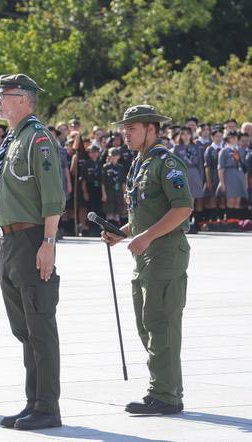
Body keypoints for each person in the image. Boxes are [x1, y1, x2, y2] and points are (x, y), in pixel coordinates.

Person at [103, 104, 192, 415]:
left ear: (152, 130)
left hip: (165, 253)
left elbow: (182, 209)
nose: (125, 133)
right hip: (146, 254)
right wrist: (123, 232)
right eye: (125, 128)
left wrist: (148, 236)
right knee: (147, 325)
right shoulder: (140, 165)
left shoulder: (166, 163)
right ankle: (167, 388)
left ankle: (164, 395)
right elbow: (145, 213)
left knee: (160, 323)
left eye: (133, 127)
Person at [0, 74, 64, 431]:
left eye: (5, 95)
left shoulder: (38, 139)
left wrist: (48, 244)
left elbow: (53, 197)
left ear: (25, 100)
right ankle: (33, 401)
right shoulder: (13, 139)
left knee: (40, 325)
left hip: (32, 238)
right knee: (24, 329)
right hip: (10, 241)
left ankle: (48, 406)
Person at [171, 127, 204, 226]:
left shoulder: (196, 147)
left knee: (193, 199)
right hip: (181, 173)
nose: (186, 136)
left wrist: (201, 178)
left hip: (194, 172)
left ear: (191, 135)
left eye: (188, 134)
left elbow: (200, 164)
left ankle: (191, 221)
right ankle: (183, 222)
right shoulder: (177, 148)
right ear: (180, 135)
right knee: (183, 198)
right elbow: (173, 165)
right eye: (183, 134)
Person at [217, 131, 248, 218]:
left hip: (240, 174)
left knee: (238, 199)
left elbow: (245, 168)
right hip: (229, 176)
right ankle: (230, 220)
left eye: (235, 137)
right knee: (230, 199)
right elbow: (220, 168)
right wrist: (222, 183)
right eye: (232, 137)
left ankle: (236, 221)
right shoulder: (224, 151)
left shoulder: (240, 150)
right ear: (227, 139)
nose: (234, 139)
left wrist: (245, 181)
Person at [203, 126, 224, 221]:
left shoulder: (223, 148)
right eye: (217, 136)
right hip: (213, 176)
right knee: (212, 198)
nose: (219, 138)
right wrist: (209, 181)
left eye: (220, 136)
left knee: (222, 199)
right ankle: (212, 220)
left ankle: (221, 219)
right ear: (212, 137)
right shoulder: (210, 149)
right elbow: (207, 167)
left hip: (222, 177)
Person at [101, 148, 126, 225]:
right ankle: (109, 228)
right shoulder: (106, 167)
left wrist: (125, 194)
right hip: (109, 192)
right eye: (112, 155)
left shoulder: (121, 167)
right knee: (109, 211)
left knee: (117, 212)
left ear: (119, 156)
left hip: (118, 192)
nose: (114, 157)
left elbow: (123, 182)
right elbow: (103, 182)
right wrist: (104, 194)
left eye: (115, 155)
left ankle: (116, 229)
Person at [82, 145, 104, 225]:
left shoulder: (101, 163)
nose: (94, 154)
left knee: (98, 208)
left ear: (98, 153)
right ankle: (91, 226)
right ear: (89, 153)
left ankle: (98, 226)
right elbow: (83, 179)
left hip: (99, 188)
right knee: (91, 208)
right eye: (92, 152)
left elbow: (102, 179)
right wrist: (85, 192)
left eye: (96, 152)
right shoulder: (86, 164)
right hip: (89, 188)